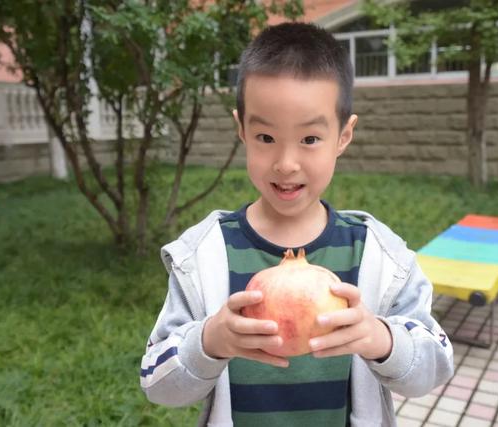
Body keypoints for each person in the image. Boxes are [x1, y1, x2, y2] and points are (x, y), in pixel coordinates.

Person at [140, 22, 454, 427]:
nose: (286, 164)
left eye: (309, 139)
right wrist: (209, 342)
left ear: (343, 135)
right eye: (266, 138)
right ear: (241, 130)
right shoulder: (204, 255)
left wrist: (381, 338)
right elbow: (156, 383)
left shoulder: (377, 255)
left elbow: (436, 365)